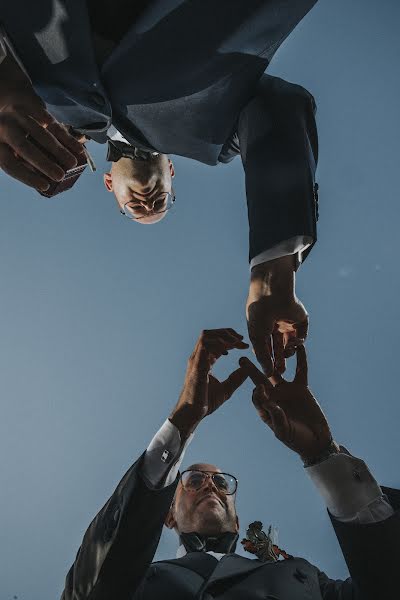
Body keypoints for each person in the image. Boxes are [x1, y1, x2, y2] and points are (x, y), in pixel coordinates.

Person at [0, 1, 319, 373]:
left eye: (137, 209)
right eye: (160, 204)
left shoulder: (35, 108)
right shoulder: (214, 137)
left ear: (109, 185)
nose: (149, 205)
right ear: (170, 171)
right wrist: (273, 275)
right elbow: (282, 107)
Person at [61, 328, 399, 599]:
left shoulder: (307, 580)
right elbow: (89, 587)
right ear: (168, 515)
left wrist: (323, 453)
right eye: (194, 481)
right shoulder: (136, 578)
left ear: (237, 522)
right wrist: (182, 423)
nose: (211, 485)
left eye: (222, 483)